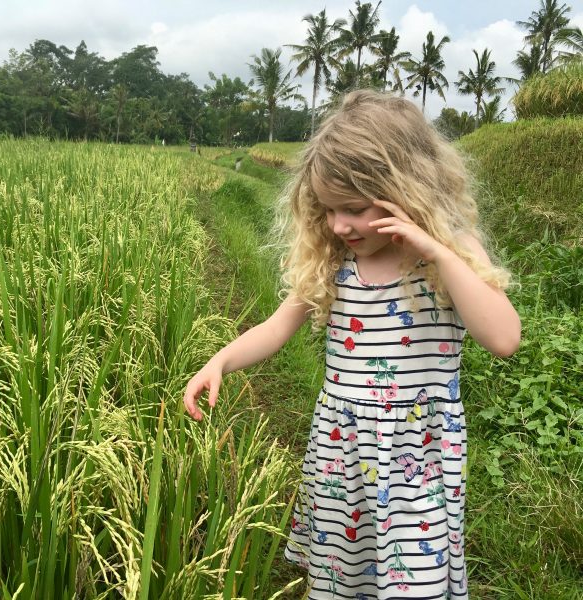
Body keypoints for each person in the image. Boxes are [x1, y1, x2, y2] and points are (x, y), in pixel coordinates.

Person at [183, 89, 521, 599]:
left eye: (356, 209)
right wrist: (221, 360)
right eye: (329, 210)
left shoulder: (449, 256)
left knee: (415, 580)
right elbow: (277, 327)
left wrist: (441, 253)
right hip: (342, 450)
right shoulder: (334, 261)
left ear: (407, 190)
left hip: (417, 454)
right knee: (345, 574)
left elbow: (503, 338)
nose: (340, 225)